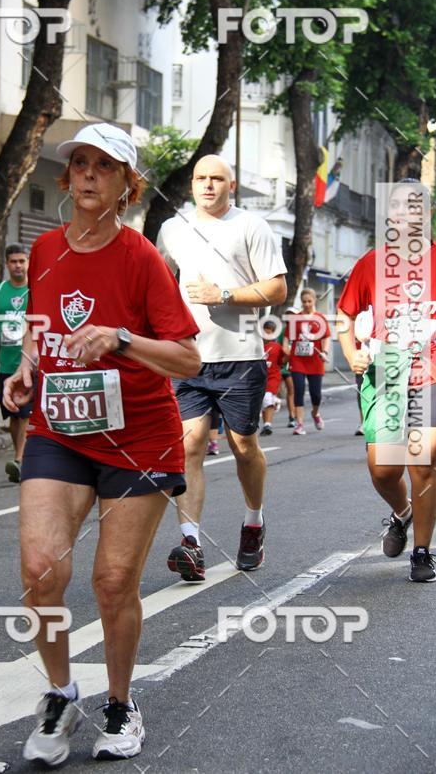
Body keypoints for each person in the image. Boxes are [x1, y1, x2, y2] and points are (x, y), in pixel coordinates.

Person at [3, 123, 200, 765]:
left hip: (138, 439)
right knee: (41, 572)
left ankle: (121, 703)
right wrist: (28, 365)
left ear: (126, 184)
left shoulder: (142, 258)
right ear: (66, 178)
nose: (88, 174)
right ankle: (61, 694)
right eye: (79, 164)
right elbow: (42, 324)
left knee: (113, 582)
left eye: (104, 167)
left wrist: (121, 339)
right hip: (60, 431)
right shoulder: (44, 251)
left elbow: (189, 359)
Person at [157, 155, 287, 582]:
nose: (208, 185)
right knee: (190, 443)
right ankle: (190, 542)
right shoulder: (172, 228)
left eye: (217, 179)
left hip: (241, 357)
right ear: (191, 185)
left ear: (231, 184)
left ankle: (254, 522)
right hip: (189, 356)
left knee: (243, 446)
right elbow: (156, 282)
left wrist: (224, 294)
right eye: (200, 178)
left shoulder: (251, 226)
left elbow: (277, 287)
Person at [338, 178, 436, 583]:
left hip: (433, 368)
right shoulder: (371, 264)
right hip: (386, 373)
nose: (404, 213)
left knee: (422, 461)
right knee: (384, 469)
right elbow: (346, 317)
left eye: (414, 206)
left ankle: (421, 552)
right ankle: (402, 513)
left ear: (427, 213)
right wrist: (352, 354)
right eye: (397, 206)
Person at [0, 243, 31, 483]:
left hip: (32, 364)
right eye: (14, 261)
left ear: (28, 262)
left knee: (25, 414)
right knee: (13, 415)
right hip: (5, 365)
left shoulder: (36, 289)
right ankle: (20, 455)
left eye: (22, 261)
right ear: (7, 263)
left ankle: (21, 459)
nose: (18, 266)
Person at [283, 288, 330, 435]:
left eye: (309, 301)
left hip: (315, 360)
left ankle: (315, 413)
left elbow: (326, 337)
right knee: (299, 390)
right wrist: (285, 347)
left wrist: (325, 351)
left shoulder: (320, 318)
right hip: (298, 360)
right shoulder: (295, 318)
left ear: (314, 300)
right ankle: (299, 424)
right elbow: (286, 337)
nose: (307, 304)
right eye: (304, 302)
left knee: (316, 394)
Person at [260, 320, 286, 436]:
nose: (266, 335)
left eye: (269, 333)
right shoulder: (257, 346)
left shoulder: (276, 347)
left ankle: (268, 424)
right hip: (259, 378)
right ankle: (265, 423)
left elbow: (282, 361)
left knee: (268, 398)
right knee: (263, 401)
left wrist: (288, 355)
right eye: (265, 332)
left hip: (272, 378)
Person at [280, 306, 298, 427]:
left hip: (298, 364)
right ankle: (292, 416)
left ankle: (295, 415)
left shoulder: (301, 329)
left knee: (295, 391)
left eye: (293, 315)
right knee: (290, 391)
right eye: (288, 315)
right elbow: (280, 347)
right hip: (285, 365)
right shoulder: (283, 331)